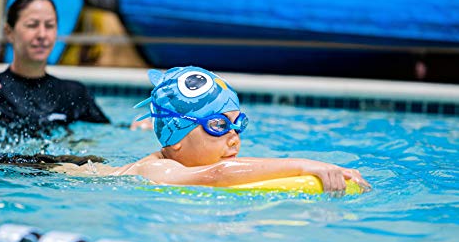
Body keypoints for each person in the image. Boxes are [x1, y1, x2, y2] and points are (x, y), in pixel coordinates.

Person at [54, 66, 371, 192]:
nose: (233, 136)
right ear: (175, 139)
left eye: (238, 123)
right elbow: (218, 175)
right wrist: (308, 164)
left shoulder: (183, 158)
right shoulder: (157, 171)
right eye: (218, 125)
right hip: (46, 173)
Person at [0, 0, 147, 130]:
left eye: (49, 26)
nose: (42, 35)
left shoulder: (73, 93)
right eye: (32, 25)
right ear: (9, 32)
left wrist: (135, 127)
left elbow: (108, 132)